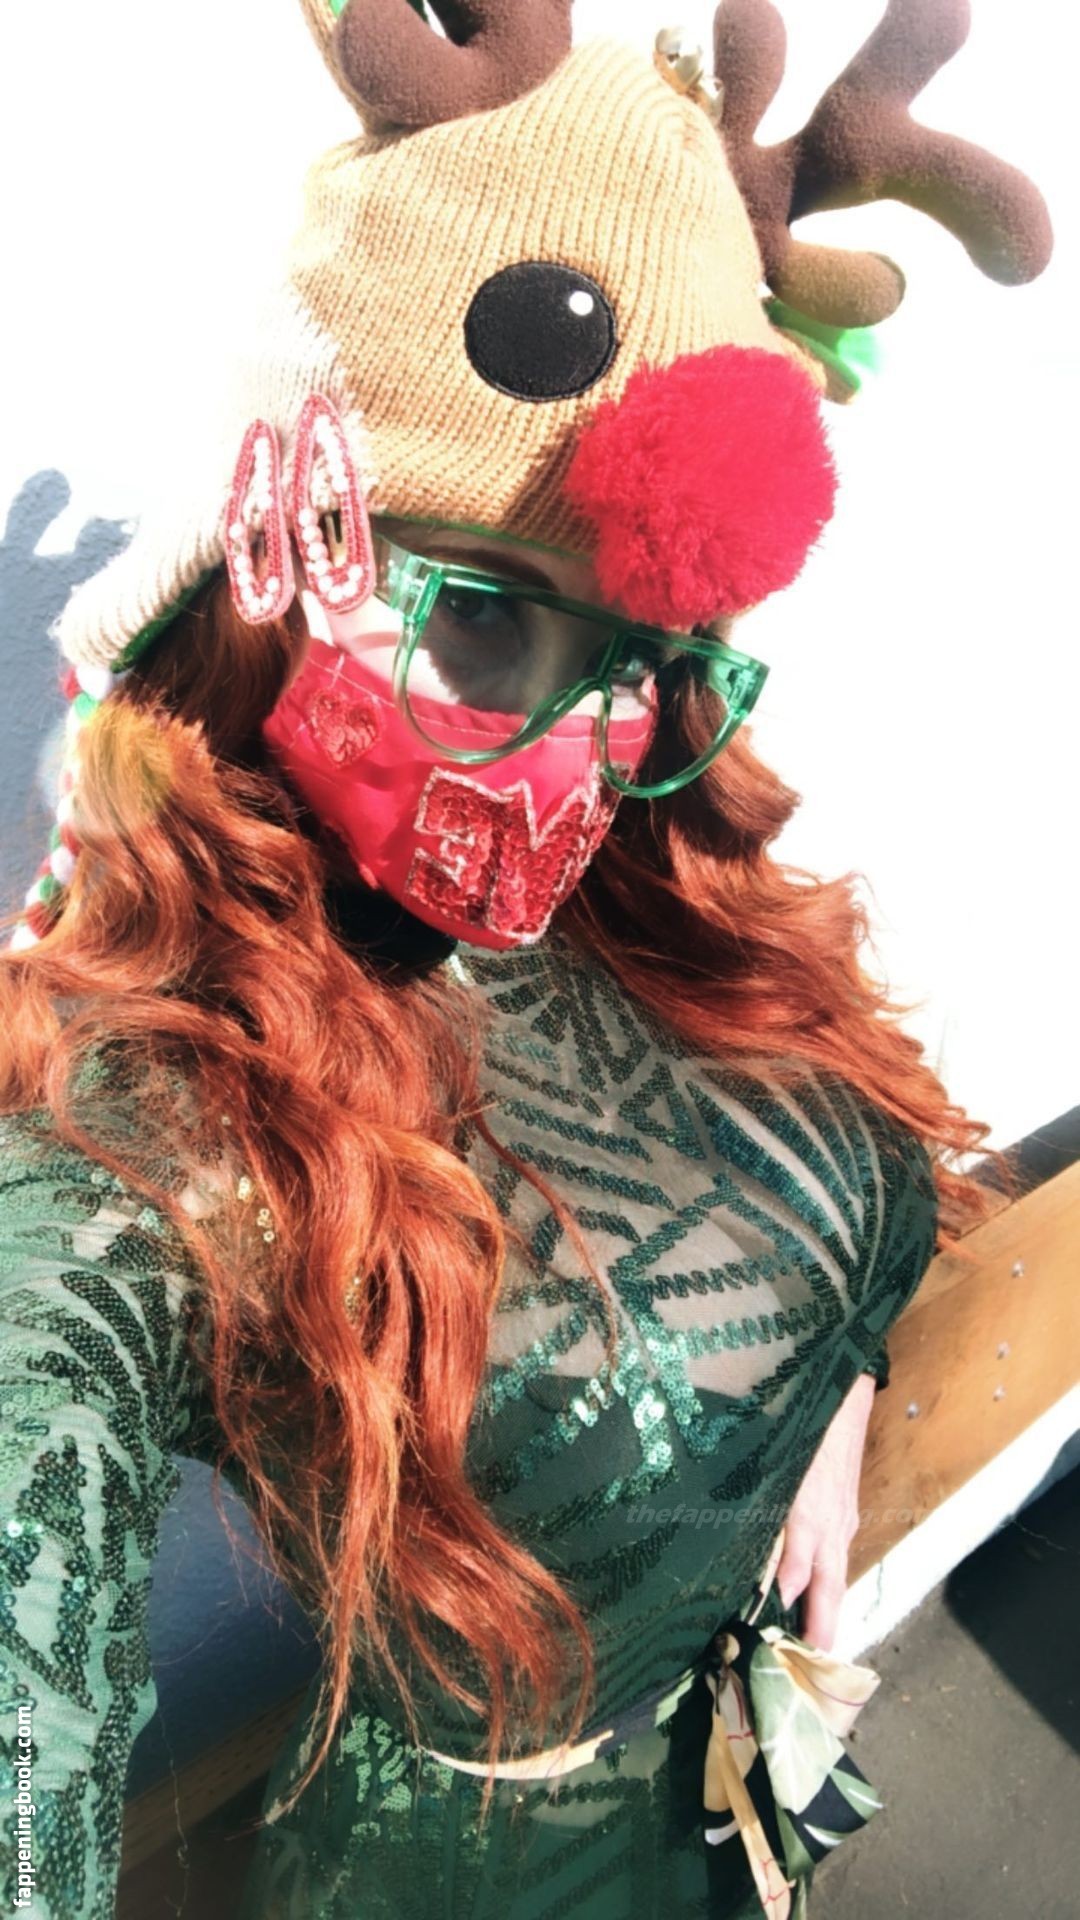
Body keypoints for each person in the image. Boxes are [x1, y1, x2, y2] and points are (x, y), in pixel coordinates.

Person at [0, 2, 1051, 1916]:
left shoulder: (666, 897)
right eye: (487, 617)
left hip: (725, 1801)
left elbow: (863, 1199)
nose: (582, 753)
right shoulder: (150, 1124)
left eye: (643, 660)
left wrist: (823, 1397)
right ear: (281, 547)